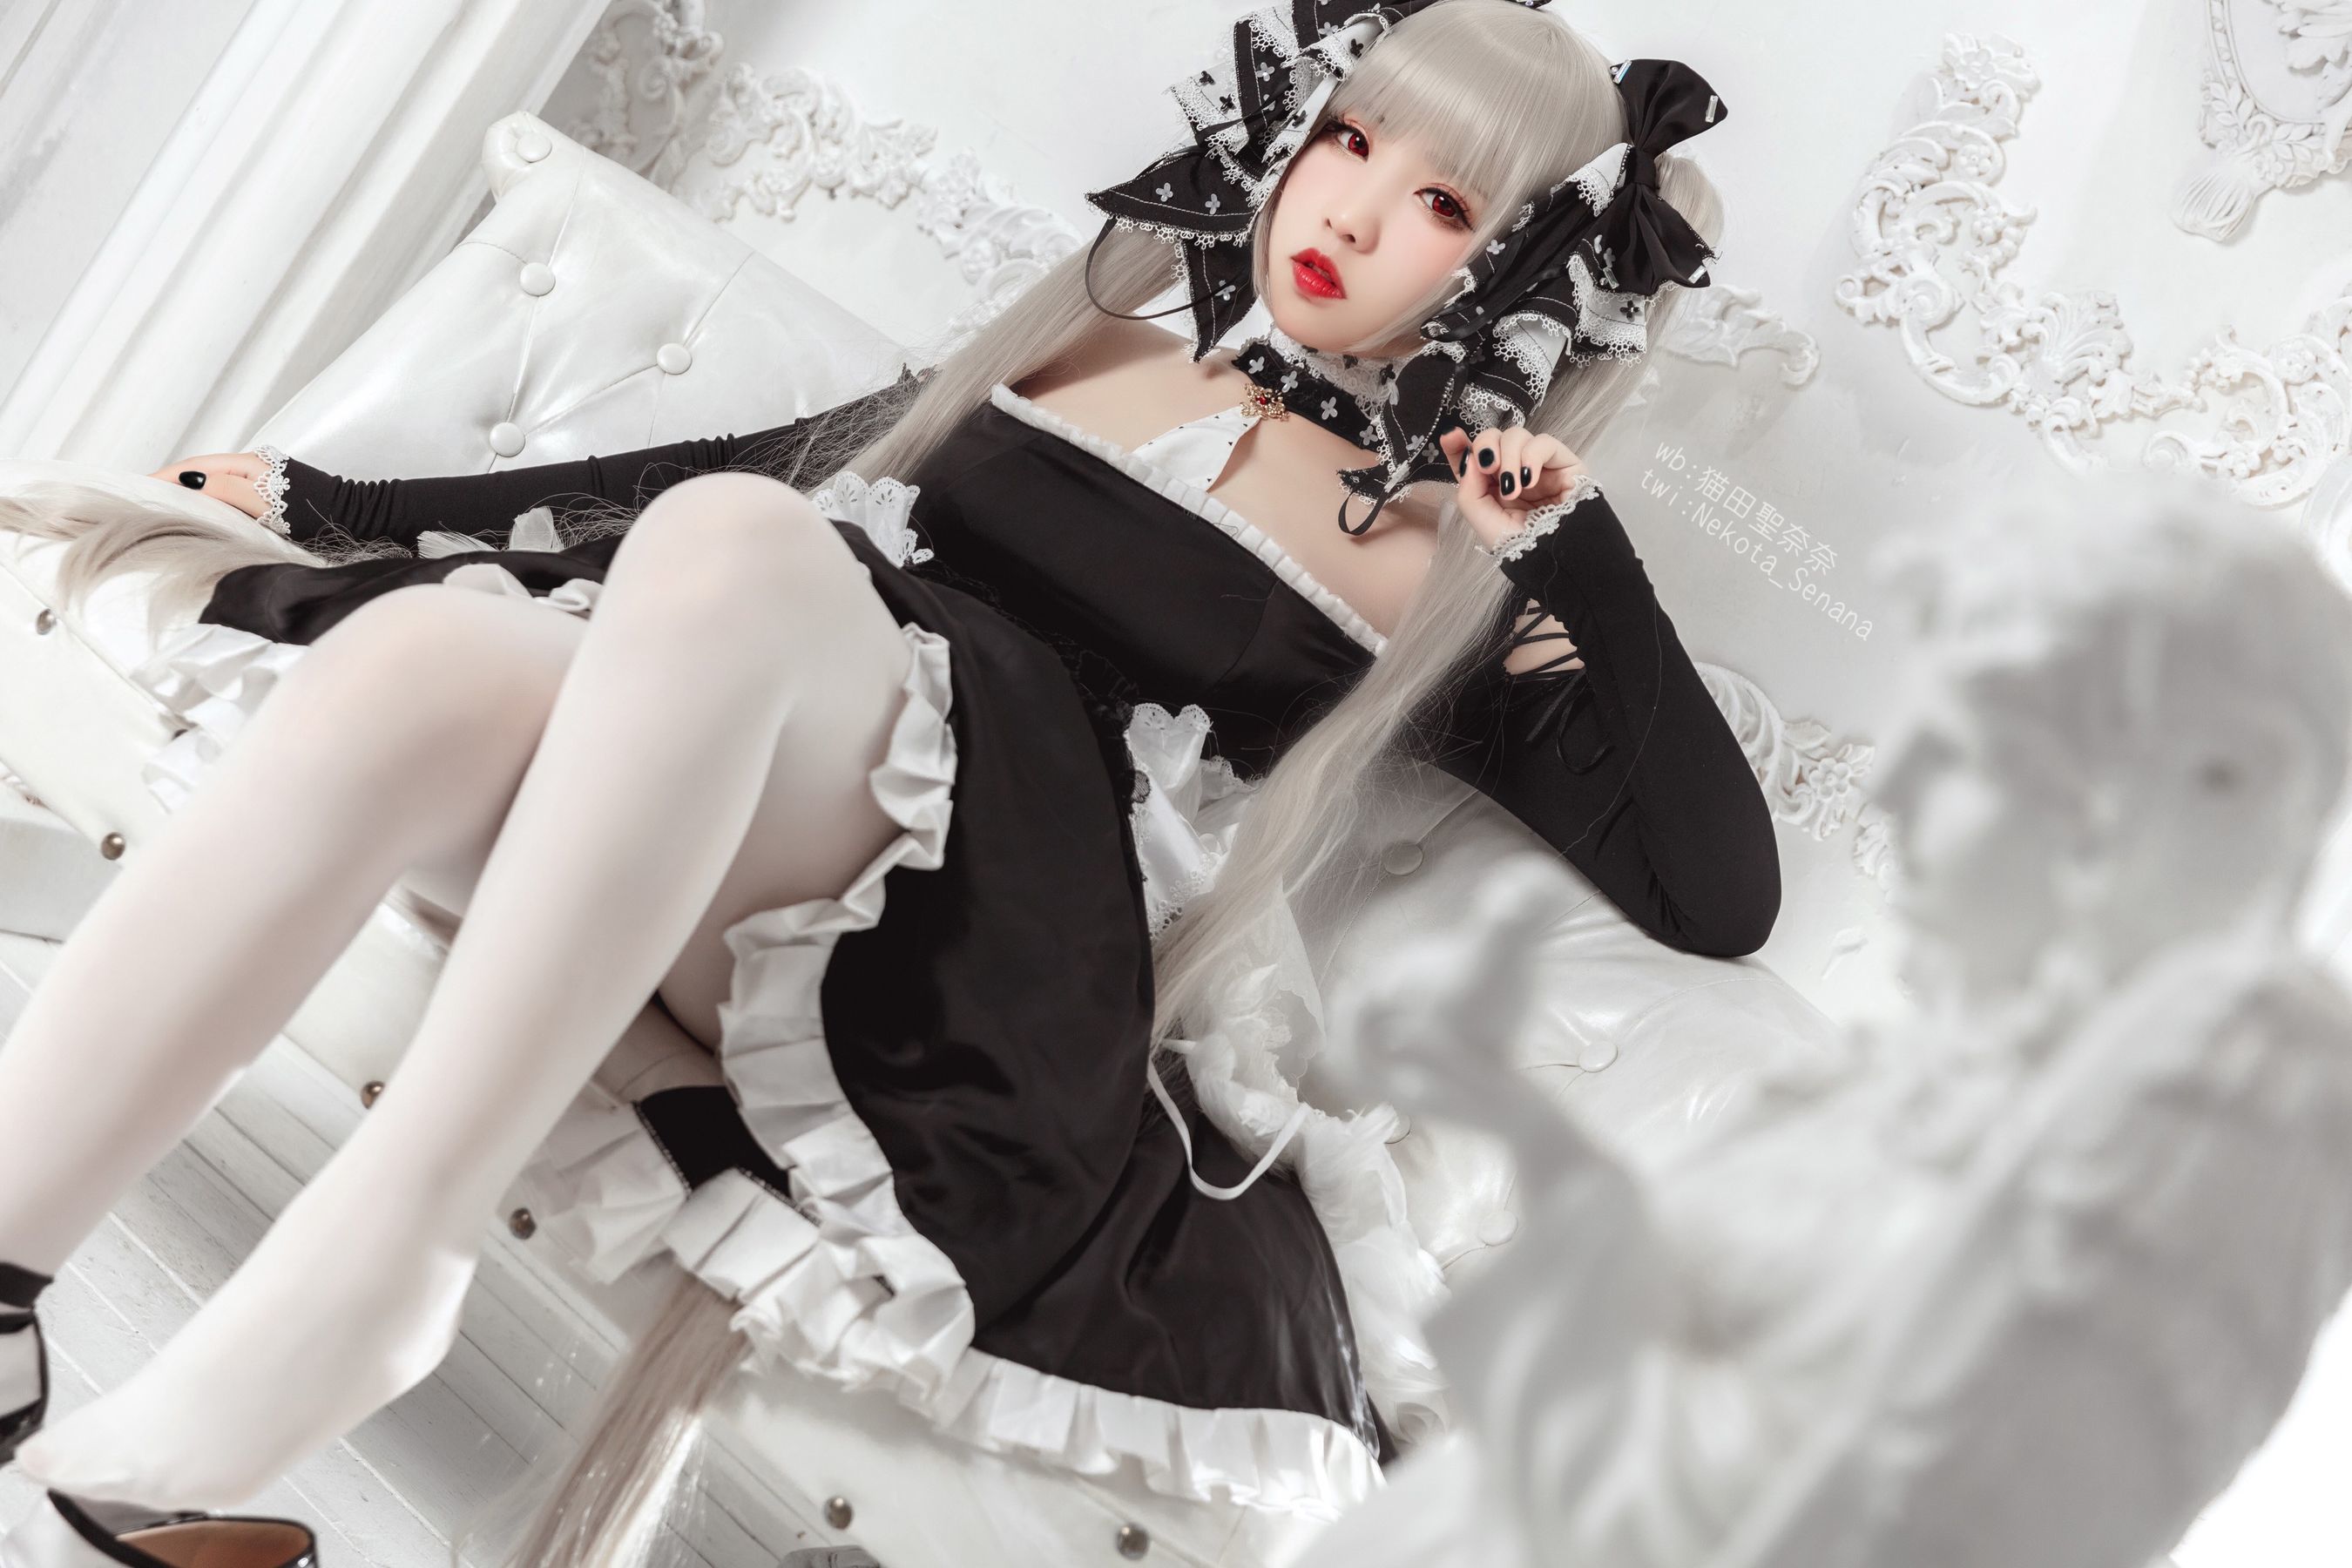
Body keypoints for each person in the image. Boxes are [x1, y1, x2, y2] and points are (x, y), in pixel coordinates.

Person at [0, 2, 1777, 1560]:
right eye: (1350, 139)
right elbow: (739, 472)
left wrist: (1571, 542)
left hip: (985, 968)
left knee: (747, 551)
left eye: (1447, 207)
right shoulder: (1099, 351)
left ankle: (383, 1261)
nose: (1353, 214)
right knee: (427, 657)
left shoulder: (1455, 573)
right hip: (726, 824)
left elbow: (1719, 893)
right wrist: (331, 503)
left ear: (1528, 276)